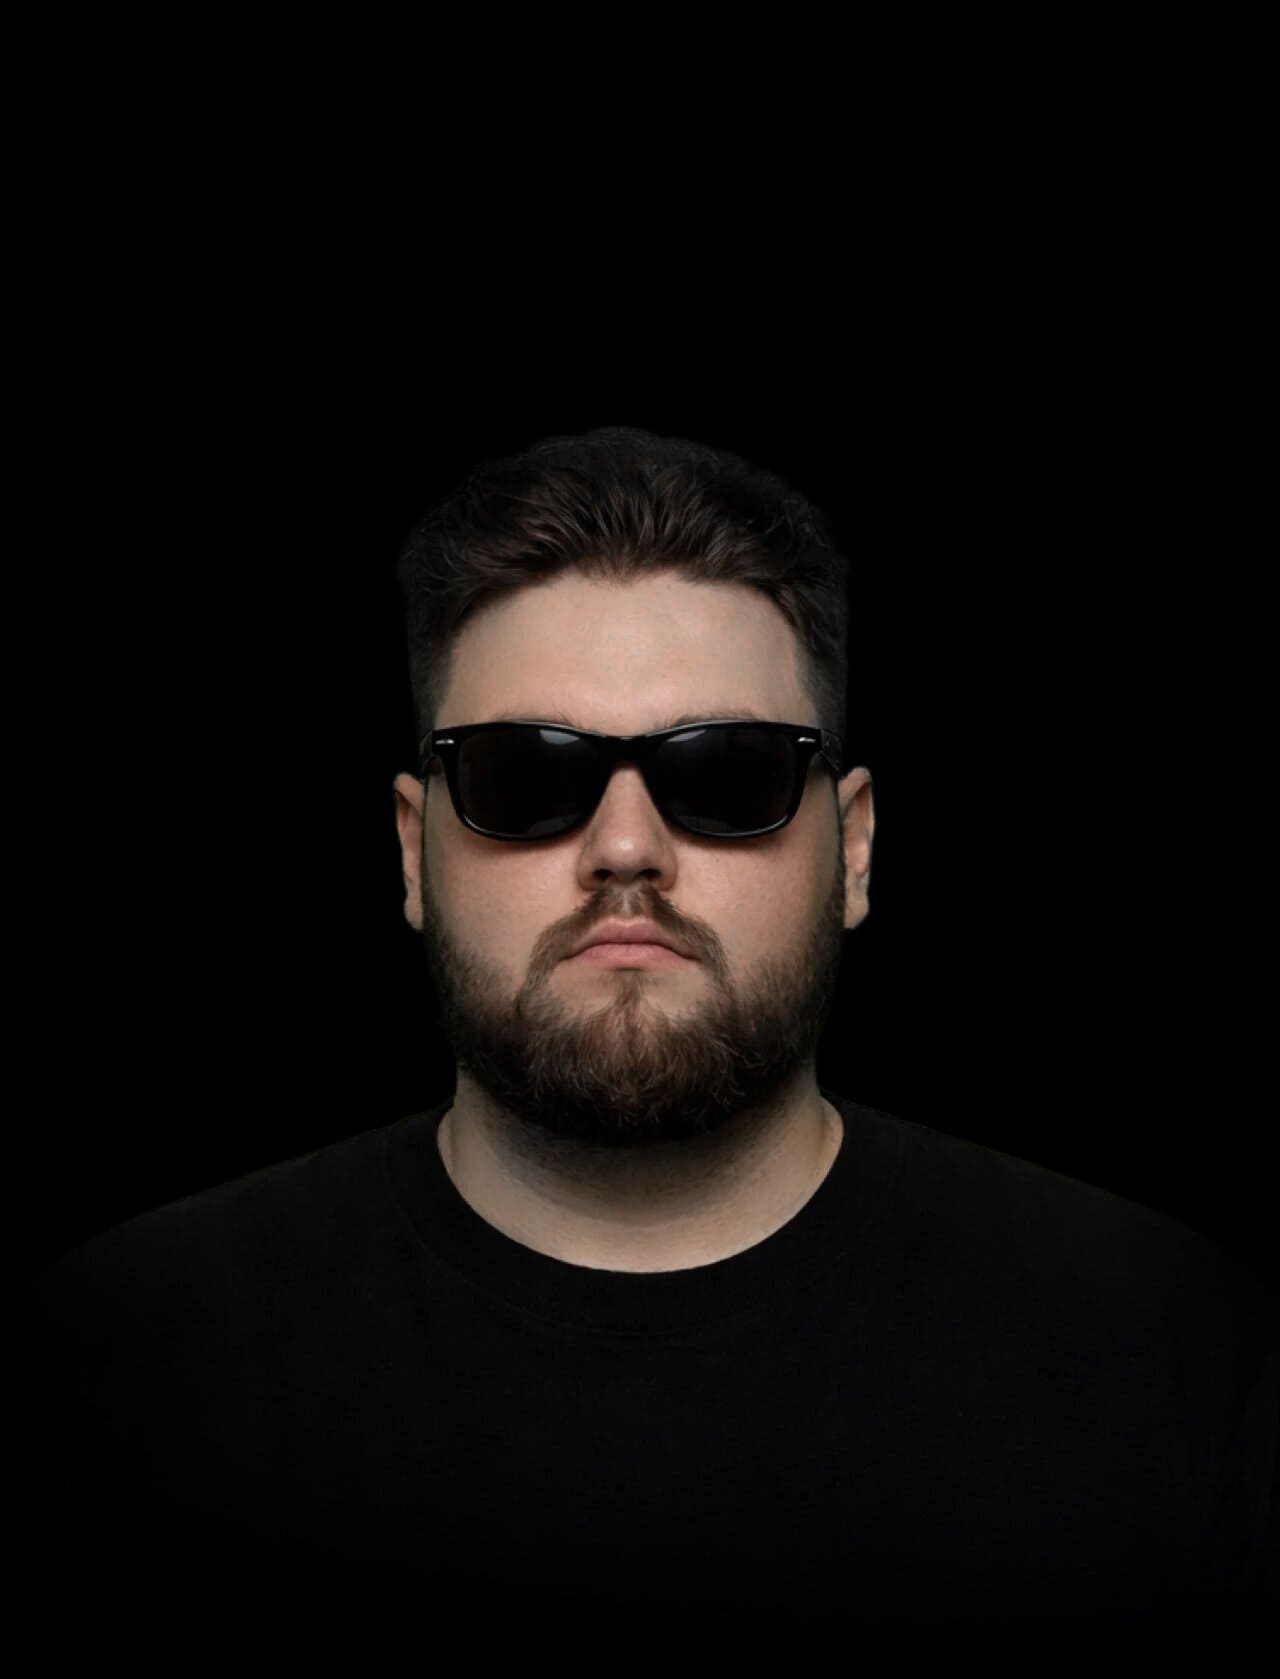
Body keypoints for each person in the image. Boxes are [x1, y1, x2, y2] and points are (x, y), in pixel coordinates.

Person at [4, 427, 1275, 1670]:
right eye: (521, 774)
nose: (625, 847)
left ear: (854, 848)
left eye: (727, 773)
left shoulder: (1159, 1346)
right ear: (411, 849)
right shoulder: (128, 1355)